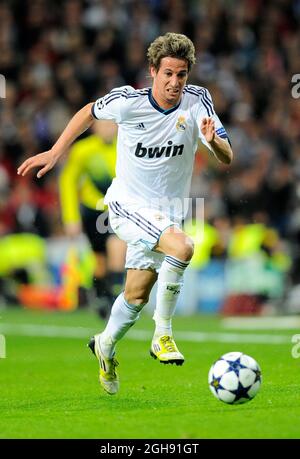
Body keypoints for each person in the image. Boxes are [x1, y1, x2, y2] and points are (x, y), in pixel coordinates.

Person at [18, 32, 233, 395]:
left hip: (166, 214)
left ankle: (104, 344)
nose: (174, 82)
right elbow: (88, 111)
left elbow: (227, 156)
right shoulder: (127, 101)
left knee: (135, 296)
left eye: (181, 75)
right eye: (167, 73)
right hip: (126, 205)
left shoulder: (199, 102)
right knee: (182, 248)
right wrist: (56, 152)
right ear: (153, 71)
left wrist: (213, 142)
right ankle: (162, 335)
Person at [59, 120, 126, 319]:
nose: (108, 128)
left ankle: (115, 297)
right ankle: (101, 296)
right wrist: (70, 217)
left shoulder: (126, 147)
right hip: (92, 211)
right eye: (103, 124)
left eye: (111, 124)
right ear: (94, 127)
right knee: (99, 261)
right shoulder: (83, 150)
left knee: (117, 245)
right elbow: (68, 181)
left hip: (117, 210)